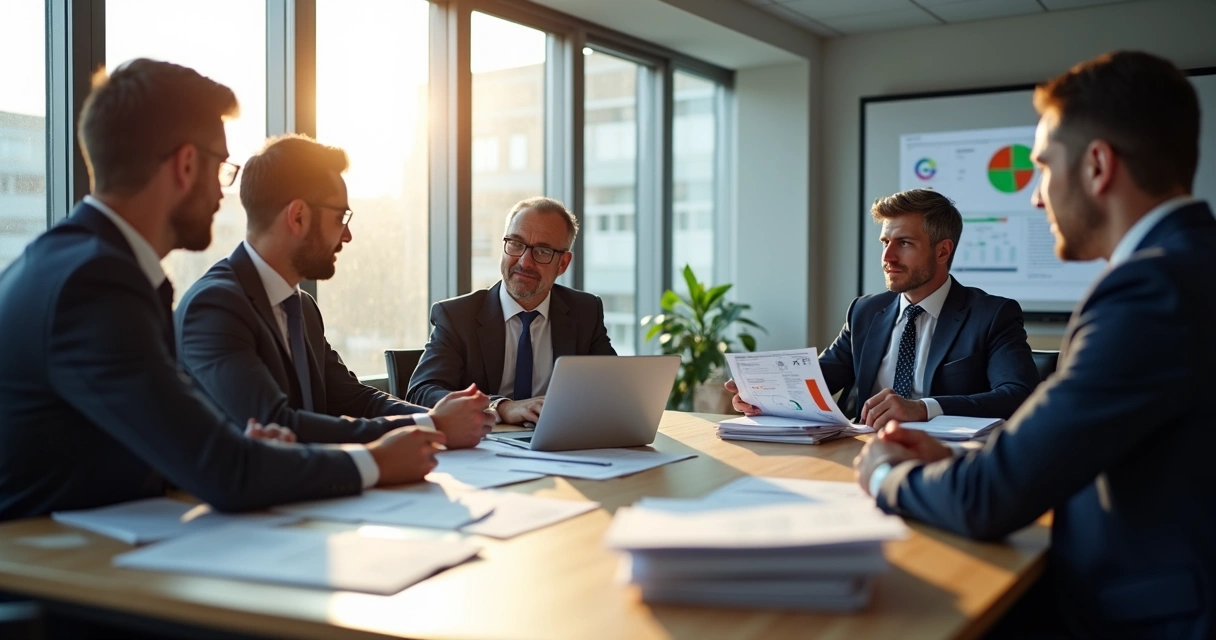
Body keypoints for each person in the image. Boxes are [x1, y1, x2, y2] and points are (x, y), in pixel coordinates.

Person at [854, 51, 1216, 637]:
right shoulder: (1191, 266)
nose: (1036, 198)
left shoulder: (1149, 291)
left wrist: (883, 476)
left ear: (1098, 166)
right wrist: (955, 459)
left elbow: (991, 499)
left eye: (1043, 168)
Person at [0, 59, 443, 522]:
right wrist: (375, 461)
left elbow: (159, 445)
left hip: (101, 549)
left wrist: (247, 452)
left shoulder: (81, 263)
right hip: (50, 577)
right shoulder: (95, 283)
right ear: (187, 164)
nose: (222, 192)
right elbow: (220, 471)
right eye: (221, 168)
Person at [175, 135, 493, 449]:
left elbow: (355, 399)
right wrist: (432, 426)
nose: (348, 235)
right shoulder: (215, 306)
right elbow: (277, 422)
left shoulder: (301, 307)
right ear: (298, 216)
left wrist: (436, 418)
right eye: (341, 217)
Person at [728, 188, 1038, 427]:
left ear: (942, 251)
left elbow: (1016, 395)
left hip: (947, 460)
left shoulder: (991, 315)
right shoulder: (865, 311)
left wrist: (923, 407)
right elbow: (817, 380)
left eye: (904, 243)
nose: (887, 258)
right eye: (884, 243)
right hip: (861, 452)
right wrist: (762, 393)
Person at [408, 197, 616, 424]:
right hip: (483, 447)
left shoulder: (585, 312)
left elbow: (613, 389)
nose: (525, 262)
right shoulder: (457, 316)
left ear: (563, 264)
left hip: (561, 446)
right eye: (516, 244)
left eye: (543, 251)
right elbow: (422, 392)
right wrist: (500, 406)